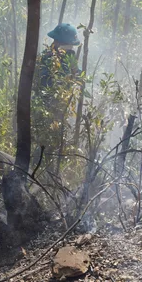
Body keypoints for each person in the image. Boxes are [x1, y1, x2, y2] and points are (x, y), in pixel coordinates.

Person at [33, 23, 81, 173]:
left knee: (53, 143)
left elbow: (76, 74)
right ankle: (40, 170)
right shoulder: (48, 58)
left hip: (60, 108)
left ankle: (48, 171)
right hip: (45, 107)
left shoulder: (68, 57)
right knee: (43, 141)